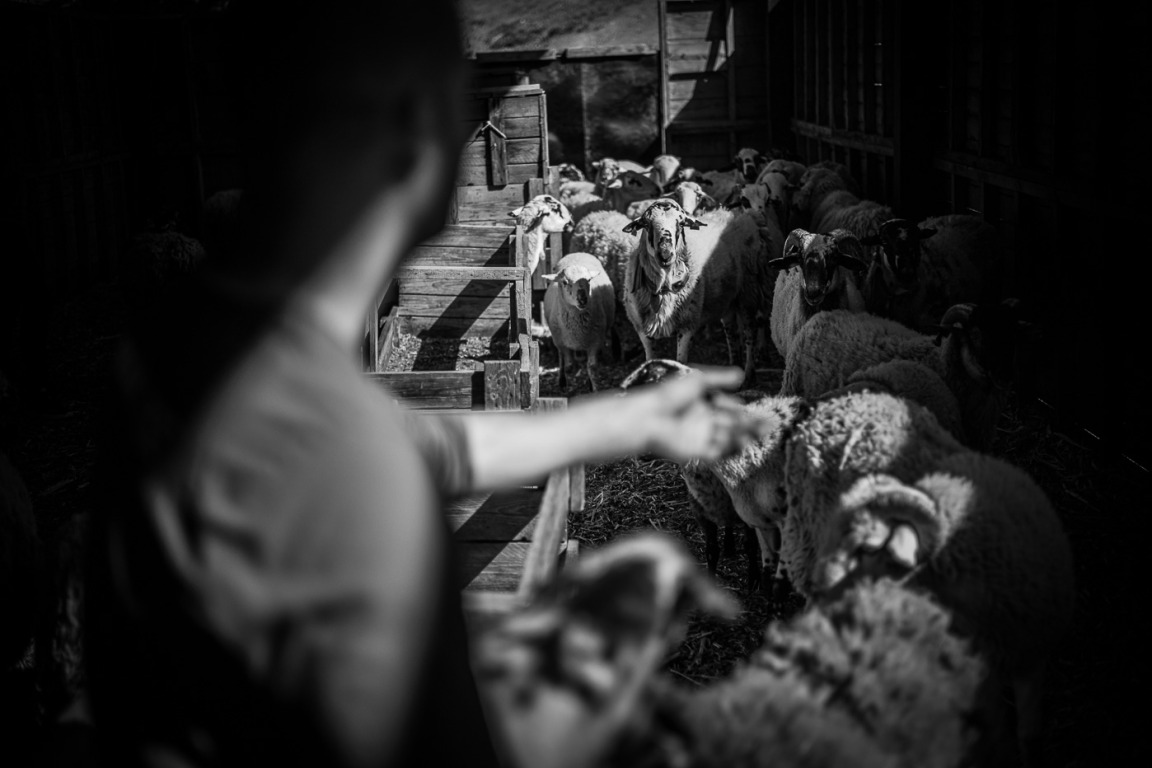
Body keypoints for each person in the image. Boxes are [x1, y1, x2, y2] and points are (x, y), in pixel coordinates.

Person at [85, 3, 769, 767]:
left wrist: (620, 425)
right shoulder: (326, 454)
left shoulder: (190, 346)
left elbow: (422, 445)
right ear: (419, 124)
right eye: (460, 98)